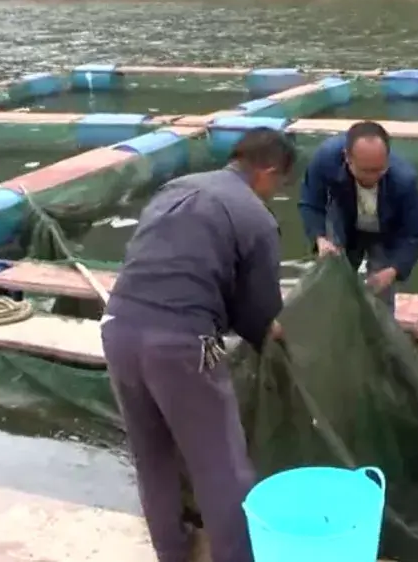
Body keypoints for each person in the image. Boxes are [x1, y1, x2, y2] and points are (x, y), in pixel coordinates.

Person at [100, 127, 296, 562]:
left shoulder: (177, 187)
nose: (275, 193)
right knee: (221, 465)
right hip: (181, 342)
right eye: (279, 184)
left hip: (118, 327)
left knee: (152, 455)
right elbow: (259, 309)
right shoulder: (255, 216)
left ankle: (172, 549)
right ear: (268, 171)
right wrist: (271, 332)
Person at [298, 120, 418, 310]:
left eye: (379, 170)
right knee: (334, 279)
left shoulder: (405, 180)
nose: (372, 177)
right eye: (365, 171)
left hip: (385, 231)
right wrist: (320, 238)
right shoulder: (325, 160)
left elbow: (413, 235)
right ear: (347, 159)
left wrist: (393, 270)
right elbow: (310, 203)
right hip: (345, 220)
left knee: (381, 292)